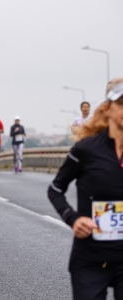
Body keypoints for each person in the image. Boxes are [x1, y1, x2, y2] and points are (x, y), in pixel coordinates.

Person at [48, 78, 123, 300]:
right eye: (121, 104)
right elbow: (55, 189)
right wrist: (73, 218)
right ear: (108, 110)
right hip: (90, 259)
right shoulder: (85, 150)